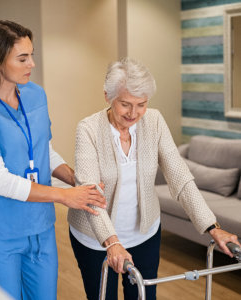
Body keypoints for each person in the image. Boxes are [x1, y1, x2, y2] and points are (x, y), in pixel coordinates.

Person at [67, 57, 240, 300]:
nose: (134, 113)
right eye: (125, 104)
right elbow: (90, 193)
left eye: (142, 104)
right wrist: (112, 242)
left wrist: (212, 227)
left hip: (144, 233)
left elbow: (180, 177)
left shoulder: (155, 121)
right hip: (96, 238)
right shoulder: (88, 129)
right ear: (108, 96)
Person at [0, 20, 106, 300]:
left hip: (40, 227)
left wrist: (77, 181)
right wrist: (65, 197)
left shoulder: (36, 95)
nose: (32, 64)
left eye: (32, 55)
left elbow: (43, 151)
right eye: (23, 58)